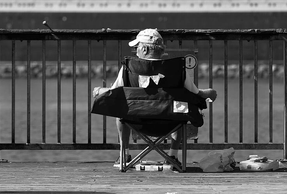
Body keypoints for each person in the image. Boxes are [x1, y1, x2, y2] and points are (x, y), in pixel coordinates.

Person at [93, 28, 217, 167]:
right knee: (181, 107)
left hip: (136, 122)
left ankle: (124, 155)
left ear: (145, 49)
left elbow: (115, 92)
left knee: (121, 110)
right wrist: (211, 93)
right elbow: (195, 94)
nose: (136, 51)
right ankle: (172, 156)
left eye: (137, 47)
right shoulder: (176, 68)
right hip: (170, 123)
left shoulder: (129, 67)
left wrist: (99, 91)